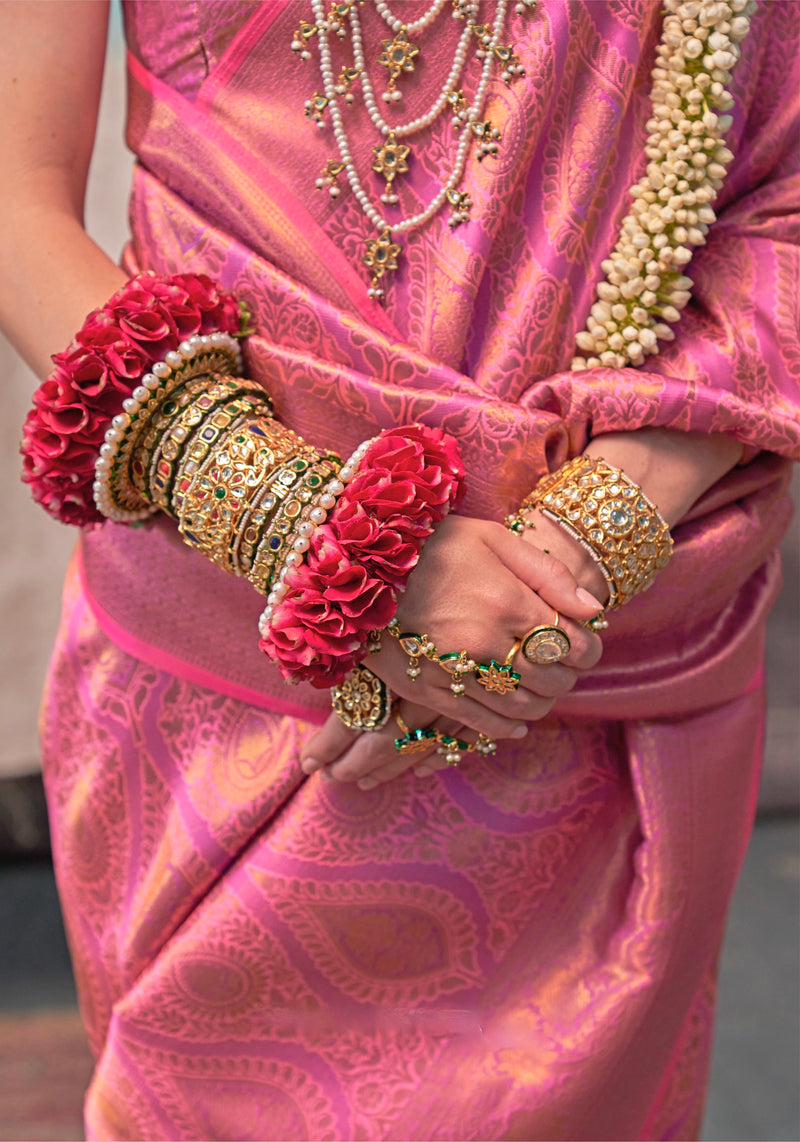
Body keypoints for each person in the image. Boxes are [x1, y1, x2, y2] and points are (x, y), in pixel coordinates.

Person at [2, 0, 798, 1138]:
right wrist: (313, 535)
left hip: (581, 698)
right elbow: (13, 198)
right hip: (209, 683)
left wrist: (559, 557)